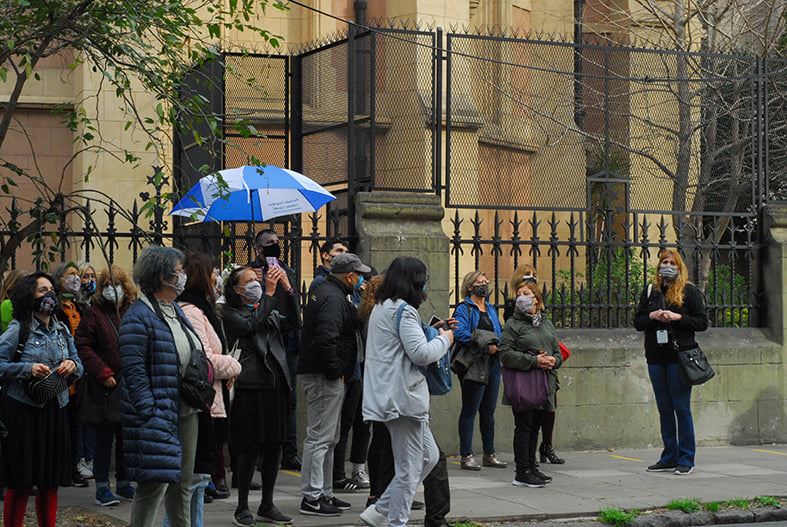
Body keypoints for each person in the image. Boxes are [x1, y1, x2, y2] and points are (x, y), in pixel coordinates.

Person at [361, 256, 453, 527]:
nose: (425, 283)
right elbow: (421, 353)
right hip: (403, 397)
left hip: (391, 394)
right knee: (409, 468)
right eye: (423, 278)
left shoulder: (382, 307)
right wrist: (445, 339)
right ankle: (395, 521)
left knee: (429, 457)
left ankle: (380, 510)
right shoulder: (403, 310)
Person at [120, 246, 202, 527]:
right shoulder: (138, 315)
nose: (184, 276)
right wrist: (149, 412)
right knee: (153, 485)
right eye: (179, 271)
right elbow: (134, 372)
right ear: (162, 276)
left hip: (185, 409)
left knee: (183, 485)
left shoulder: (175, 309)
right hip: (157, 414)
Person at [0, 272, 84, 527]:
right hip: (23, 411)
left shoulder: (61, 330)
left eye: (51, 290)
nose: (49, 296)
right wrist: (27, 369)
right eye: (42, 290)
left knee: (50, 482)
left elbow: (79, 365)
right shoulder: (19, 329)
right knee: (22, 481)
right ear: (29, 296)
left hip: (55, 410)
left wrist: (72, 366)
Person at [223, 265, 296, 526]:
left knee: (274, 446)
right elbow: (250, 327)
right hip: (251, 387)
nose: (256, 283)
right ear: (237, 289)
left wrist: (288, 291)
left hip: (275, 385)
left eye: (257, 279)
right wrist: (268, 294)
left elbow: (293, 324)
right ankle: (242, 506)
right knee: (249, 447)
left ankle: (267, 504)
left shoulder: (268, 308)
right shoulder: (231, 314)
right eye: (250, 281)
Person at [298, 253, 368, 516]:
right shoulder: (332, 297)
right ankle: (312, 497)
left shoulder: (333, 294)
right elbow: (326, 338)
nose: (360, 278)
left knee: (328, 437)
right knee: (320, 437)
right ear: (349, 275)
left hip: (326, 374)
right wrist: (335, 371)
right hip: (323, 375)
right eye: (358, 274)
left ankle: (324, 492)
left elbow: (345, 326)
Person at [177, 253, 241, 512]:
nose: (217, 279)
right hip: (204, 400)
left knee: (200, 481)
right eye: (213, 273)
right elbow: (203, 359)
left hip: (214, 397)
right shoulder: (192, 311)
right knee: (193, 482)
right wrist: (234, 365)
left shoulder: (204, 309)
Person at [635, 249, 708, 476]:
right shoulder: (651, 291)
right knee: (664, 409)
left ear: (679, 267)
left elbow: (702, 322)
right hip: (656, 357)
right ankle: (669, 456)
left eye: (672, 263)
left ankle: (686, 458)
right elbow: (638, 322)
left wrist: (677, 317)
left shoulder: (689, 290)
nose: (667, 266)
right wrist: (652, 316)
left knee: (681, 408)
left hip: (679, 357)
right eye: (664, 262)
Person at [75, 265, 137, 506]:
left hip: (129, 382)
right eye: (108, 285)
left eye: (117, 284)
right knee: (104, 438)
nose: (113, 289)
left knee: (126, 436)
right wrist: (102, 371)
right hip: (105, 386)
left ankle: (124, 482)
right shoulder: (94, 313)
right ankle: (102, 486)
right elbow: (83, 344)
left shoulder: (133, 310)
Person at [500, 280, 562, 488]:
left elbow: (557, 350)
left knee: (536, 426)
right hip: (524, 383)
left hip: (544, 382)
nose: (522, 297)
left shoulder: (546, 323)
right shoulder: (513, 324)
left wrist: (553, 360)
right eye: (519, 294)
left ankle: (532, 466)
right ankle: (522, 471)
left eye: (526, 293)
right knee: (524, 426)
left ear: (537, 299)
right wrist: (534, 360)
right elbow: (505, 354)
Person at [250, 229, 302, 471]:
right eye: (269, 243)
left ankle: (289, 452)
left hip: (286, 340)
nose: (274, 246)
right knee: (264, 399)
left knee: (289, 399)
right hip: (263, 340)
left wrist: (286, 284)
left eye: (277, 242)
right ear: (258, 248)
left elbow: (295, 311)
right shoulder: (250, 272)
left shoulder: (286, 270)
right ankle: (261, 455)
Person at [452, 270, 506, 471]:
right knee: (470, 409)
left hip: (493, 363)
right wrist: (484, 344)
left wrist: (498, 345)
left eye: (486, 281)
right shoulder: (464, 309)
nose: (484, 284)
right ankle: (466, 455)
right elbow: (460, 333)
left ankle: (489, 453)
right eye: (480, 282)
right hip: (474, 363)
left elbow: (498, 331)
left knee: (488, 411)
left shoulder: (490, 308)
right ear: (470, 286)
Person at [52, 261, 91, 487]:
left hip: (78, 373)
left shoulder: (79, 307)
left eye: (78, 274)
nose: (76, 278)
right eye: (71, 274)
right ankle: (61, 468)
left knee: (77, 424)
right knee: (61, 425)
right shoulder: (55, 308)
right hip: (61, 373)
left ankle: (73, 467)